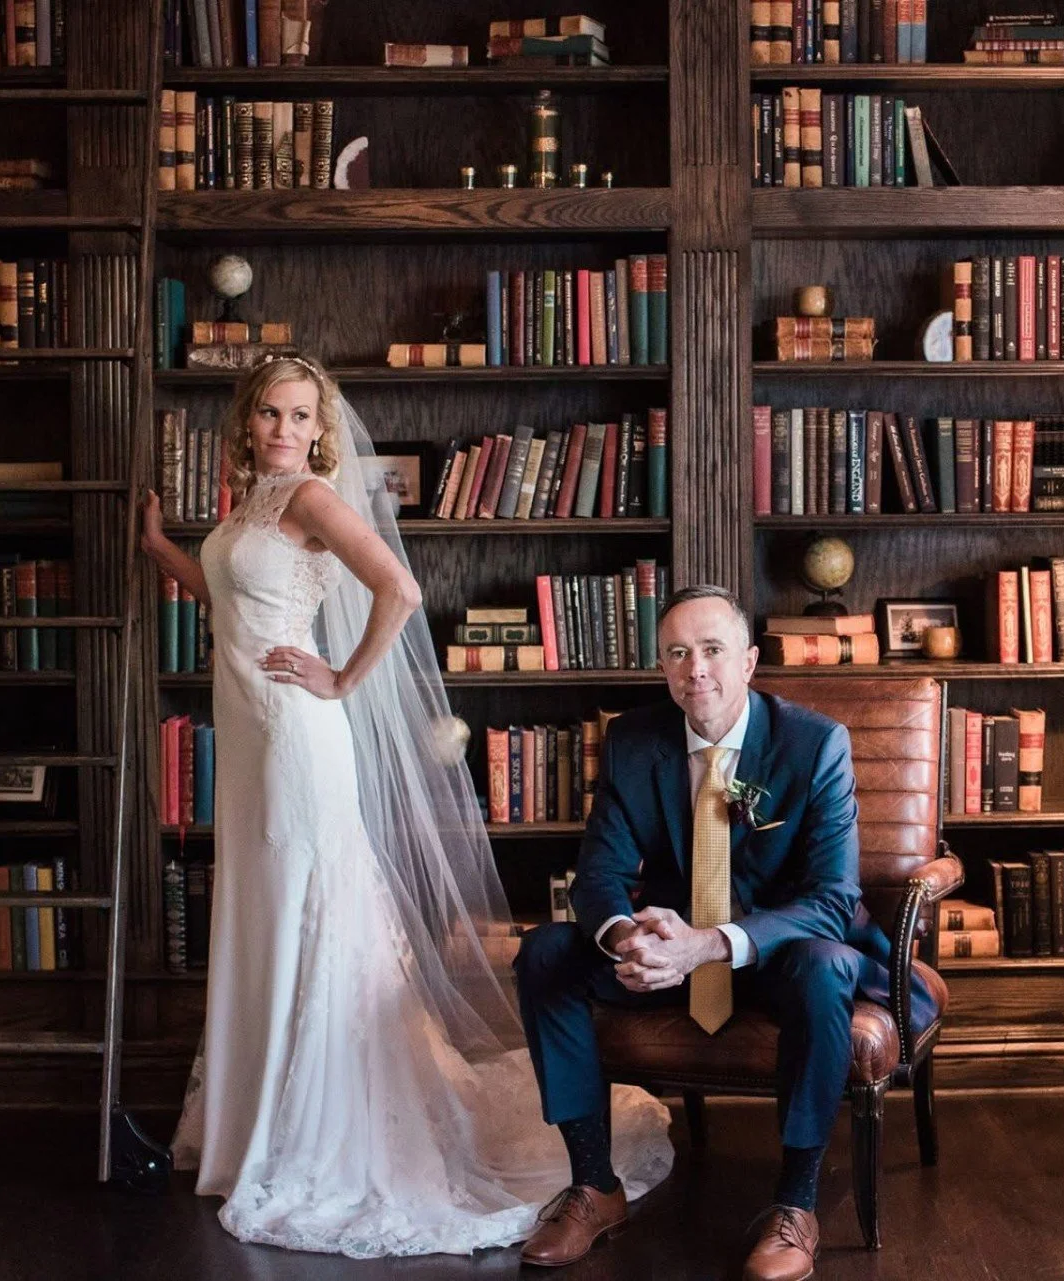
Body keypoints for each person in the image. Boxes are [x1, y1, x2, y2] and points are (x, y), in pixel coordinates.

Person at [141, 353, 673, 1257]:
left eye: (299, 416)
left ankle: (302, 1132)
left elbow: (401, 588)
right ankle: (255, 1124)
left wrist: (342, 678)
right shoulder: (251, 504)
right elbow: (232, 601)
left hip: (295, 739)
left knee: (309, 915)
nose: (281, 428)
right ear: (249, 422)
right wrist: (161, 552)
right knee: (267, 917)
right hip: (249, 746)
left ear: (320, 428)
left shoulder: (309, 497)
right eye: (269, 412)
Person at [514, 586, 937, 1280]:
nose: (695, 668)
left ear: (748, 661)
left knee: (826, 963)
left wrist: (708, 944)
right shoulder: (633, 739)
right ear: (662, 667)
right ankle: (595, 1185)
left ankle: (796, 1206)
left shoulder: (813, 743)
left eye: (712, 649)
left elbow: (833, 897)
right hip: (669, 956)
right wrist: (630, 940)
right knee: (546, 952)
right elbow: (599, 876)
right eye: (677, 653)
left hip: (777, 956)